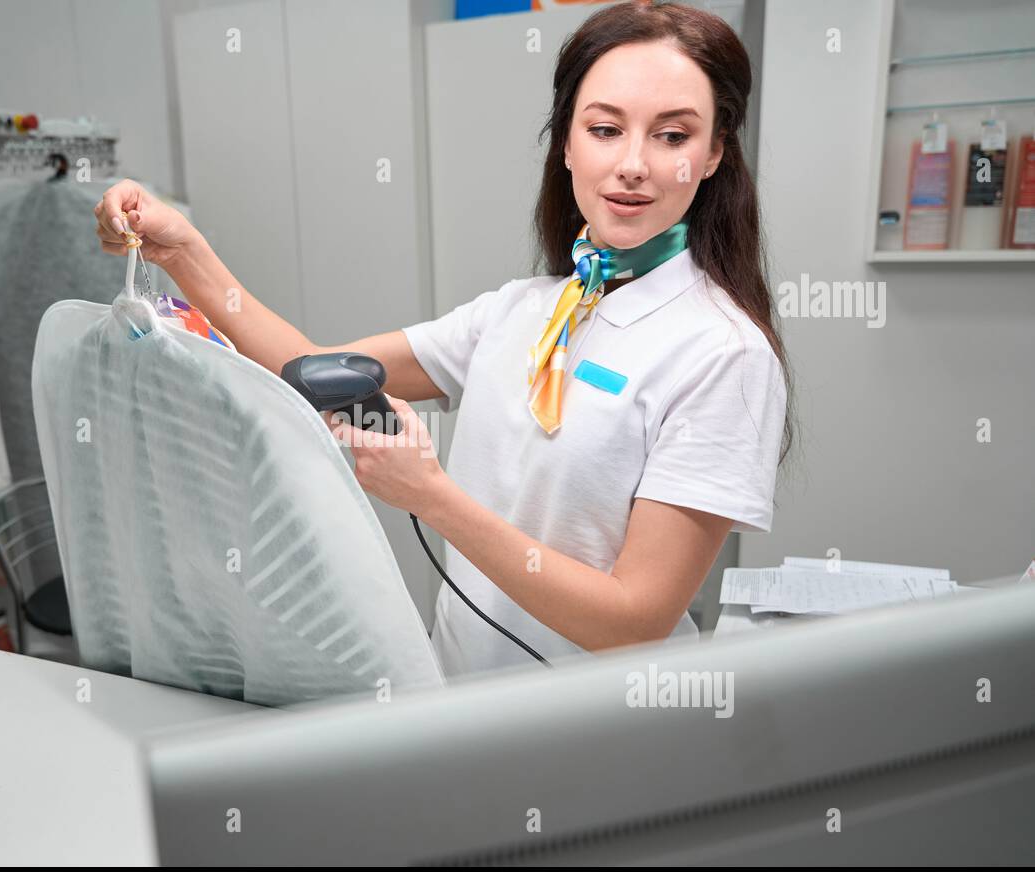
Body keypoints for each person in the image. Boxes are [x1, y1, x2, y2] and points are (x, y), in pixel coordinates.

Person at [93, 0, 794, 677]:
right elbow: (312, 371)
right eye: (605, 129)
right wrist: (184, 253)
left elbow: (634, 624)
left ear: (712, 155)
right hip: (456, 698)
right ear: (567, 145)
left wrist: (432, 497)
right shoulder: (521, 310)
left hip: (602, 732)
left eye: (672, 134)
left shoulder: (722, 352)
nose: (635, 164)